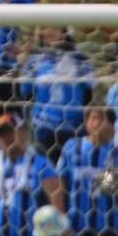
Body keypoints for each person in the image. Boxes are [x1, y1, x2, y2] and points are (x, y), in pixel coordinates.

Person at [56, 105, 118, 236]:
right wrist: (61, 220)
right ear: (86, 123)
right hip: (76, 225)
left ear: (111, 125)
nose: (96, 123)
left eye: (101, 119)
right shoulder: (72, 147)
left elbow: (115, 190)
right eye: (93, 118)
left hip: (107, 226)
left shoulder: (116, 153)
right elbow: (60, 184)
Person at [20, 27, 94, 162]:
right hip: (44, 130)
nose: (49, 31)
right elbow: (26, 93)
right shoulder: (34, 61)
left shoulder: (80, 60)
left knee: (71, 171)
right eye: (45, 27)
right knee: (47, 173)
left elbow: (89, 95)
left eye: (53, 27)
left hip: (73, 129)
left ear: (63, 31)